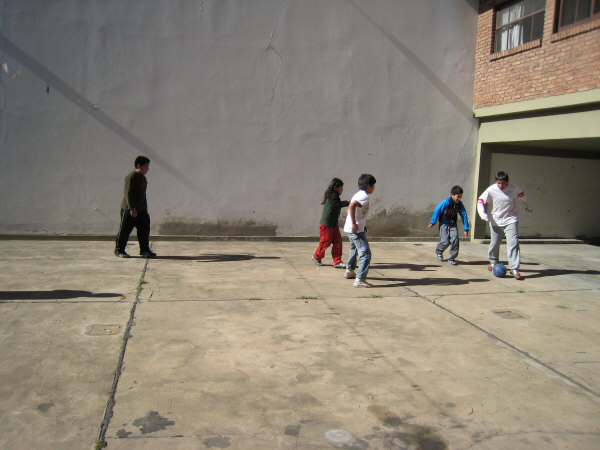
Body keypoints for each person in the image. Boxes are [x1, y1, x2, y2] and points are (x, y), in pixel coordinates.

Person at [477, 171, 532, 280]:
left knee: (513, 243)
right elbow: (480, 201)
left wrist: (527, 205)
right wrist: (483, 214)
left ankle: (514, 268)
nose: (501, 185)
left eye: (503, 183)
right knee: (495, 243)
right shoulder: (491, 189)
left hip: (511, 219)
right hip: (495, 221)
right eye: (498, 183)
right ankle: (493, 261)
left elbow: (522, 196)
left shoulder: (514, 188)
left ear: (507, 182)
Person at [115, 156, 156, 258]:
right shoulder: (131, 176)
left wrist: (144, 208)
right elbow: (128, 193)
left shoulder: (142, 177)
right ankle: (119, 250)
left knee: (144, 230)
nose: (148, 169)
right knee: (125, 230)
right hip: (129, 209)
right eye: (146, 166)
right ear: (139, 166)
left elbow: (142, 194)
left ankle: (144, 250)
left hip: (141, 210)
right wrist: (132, 208)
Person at [343, 174, 376, 288]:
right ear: (369, 186)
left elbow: (350, 209)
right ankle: (360, 279)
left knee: (354, 249)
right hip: (355, 230)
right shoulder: (364, 196)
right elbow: (352, 206)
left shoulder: (358, 194)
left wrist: (361, 223)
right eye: (373, 186)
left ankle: (350, 271)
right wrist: (354, 223)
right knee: (365, 253)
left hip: (354, 228)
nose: (374, 188)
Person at [312, 178, 350, 268]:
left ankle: (337, 261)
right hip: (327, 224)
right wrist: (349, 202)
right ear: (335, 187)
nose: (342, 190)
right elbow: (336, 205)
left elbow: (336, 205)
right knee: (325, 242)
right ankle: (316, 256)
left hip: (333, 224)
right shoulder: (333, 195)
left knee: (338, 242)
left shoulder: (333, 195)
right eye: (341, 188)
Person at [428, 185, 469, 265]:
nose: (459, 199)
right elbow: (437, 210)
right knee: (445, 242)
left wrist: (466, 228)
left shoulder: (460, 204)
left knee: (455, 240)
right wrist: (433, 222)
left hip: (453, 225)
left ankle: (452, 258)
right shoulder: (446, 202)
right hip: (444, 224)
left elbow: (464, 215)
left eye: (460, 197)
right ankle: (439, 250)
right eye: (458, 197)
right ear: (452, 195)